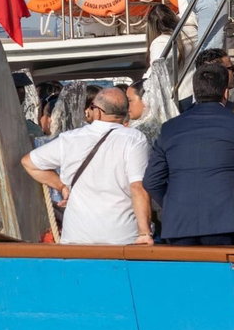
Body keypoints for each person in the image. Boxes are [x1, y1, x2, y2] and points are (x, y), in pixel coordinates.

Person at [20, 87, 151, 245]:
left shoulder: (70, 139)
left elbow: (28, 162)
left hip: (76, 236)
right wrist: (144, 232)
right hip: (121, 236)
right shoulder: (134, 139)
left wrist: (61, 186)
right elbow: (138, 187)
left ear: (98, 112)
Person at [142, 64, 234, 245]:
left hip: (179, 222)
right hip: (228, 220)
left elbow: (151, 181)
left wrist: (173, 203)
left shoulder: (170, 128)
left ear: (194, 92)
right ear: (225, 92)